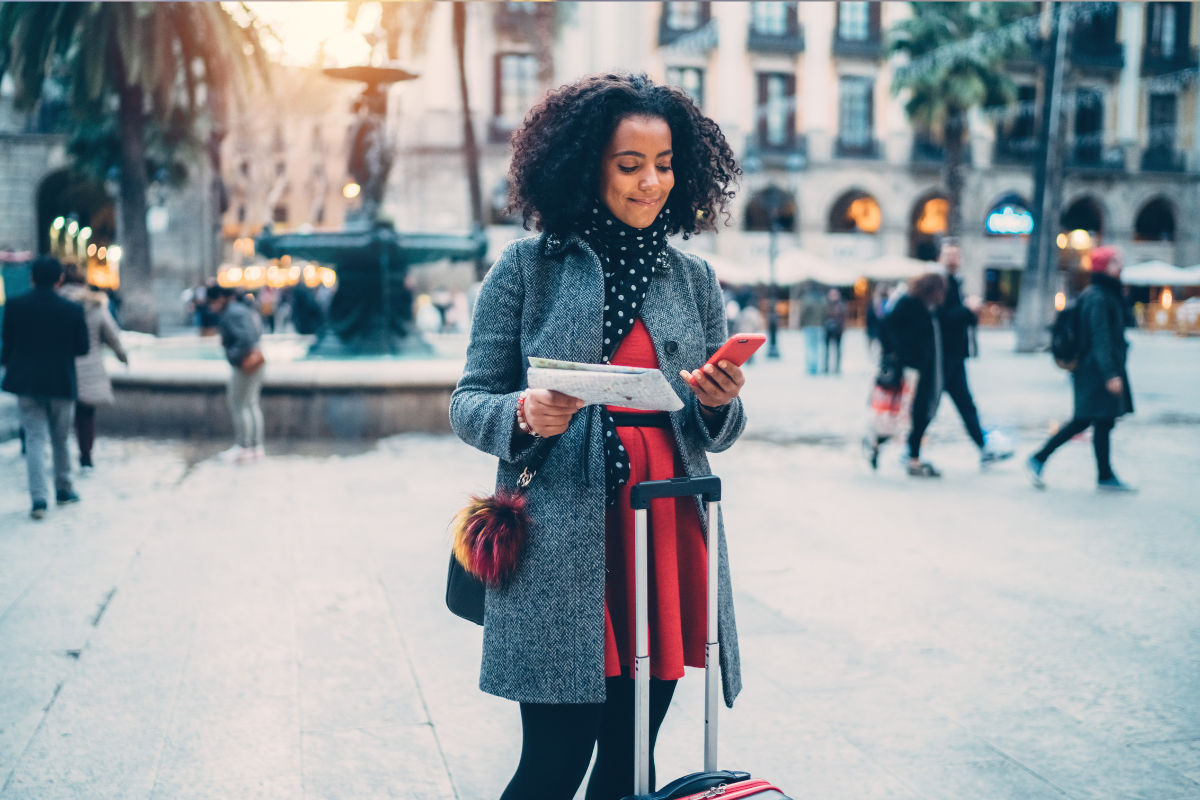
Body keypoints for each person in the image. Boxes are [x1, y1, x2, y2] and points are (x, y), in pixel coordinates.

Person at [450, 72, 746, 800]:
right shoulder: (527, 268)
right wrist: (521, 414)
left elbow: (719, 429)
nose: (653, 182)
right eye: (630, 165)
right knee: (551, 767)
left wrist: (716, 402)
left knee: (630, 767)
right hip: (562, 545)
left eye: (666, 163)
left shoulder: (693, 278)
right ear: (586, 167)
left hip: (665, 534)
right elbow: (467, 401)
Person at [1026, 246, 1135, 492]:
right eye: (1117, 262)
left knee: (1103, 420)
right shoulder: (1097, 296)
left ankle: (1105, 475)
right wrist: (1110, 374)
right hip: (1094, 370)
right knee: (1084, 419)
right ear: (1105, 267)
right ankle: (1038, 457)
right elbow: (1100, 338)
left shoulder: (1106, 293)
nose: (1121, 267)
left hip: (1100, 368)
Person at [1, 256, 89, 518]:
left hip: (27, 383)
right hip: (61, 382)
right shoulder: (72, 309)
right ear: (59, 279)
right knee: (60, 439)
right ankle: (63, 488)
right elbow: (82, 347)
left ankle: (38, 499)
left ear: (31, 278)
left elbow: (7, 345)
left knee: (35, 440)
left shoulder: (15, 305)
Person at [937, 241, 1011, 466]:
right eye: (948, 254)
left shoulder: (954, 281)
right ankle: (892, 445)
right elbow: (943, 317)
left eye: (956, 255)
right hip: (941, 357)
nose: (952, 259)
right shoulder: (940, 283)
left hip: (954, 356)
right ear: (941, 257)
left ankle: (983, 447)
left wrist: (971, 312)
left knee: (965, 404)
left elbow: (960, 320)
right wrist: (966, 309)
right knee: (926, 407)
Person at [58, 263, 128, 472]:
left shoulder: (58, 302)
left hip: (64, 365)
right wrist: (122, 356)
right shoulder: (95, 304)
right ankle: (86, 455)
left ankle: (61, 459)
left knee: (60, 415)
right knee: (86, 414)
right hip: (90, 366)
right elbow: (112, 334)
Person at [878, 272, 947, 477]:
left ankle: (913, 458)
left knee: (919, 414)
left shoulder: (930, 309)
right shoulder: (907, 303)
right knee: (901, 414)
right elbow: (885, 327)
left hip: (925, 371)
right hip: (908, 370)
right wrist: (895, 353)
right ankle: (878, 442)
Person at [207, 286, 265, 464]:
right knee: (251, 404)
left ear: (220, 298)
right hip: (255, 360)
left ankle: (244, 447)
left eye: (212, 302)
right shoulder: (241, 309)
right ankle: (256, 447)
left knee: (239, 404)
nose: (211, 307)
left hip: (244, 364)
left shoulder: (231, 313)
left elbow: (245, 338)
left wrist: (233, 355)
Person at [797, 282, 828, 375]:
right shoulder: (822, 299)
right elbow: (825, 313)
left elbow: (803, 313)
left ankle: (810, 367)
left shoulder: (807, 299)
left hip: (809, 326)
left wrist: (800, 324)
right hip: (820, 326)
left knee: (809, 347)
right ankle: (816, 367)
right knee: (817, 348)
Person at [823, 288, 847, 374]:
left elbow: (844, 318)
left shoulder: (841, 305)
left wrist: (841, 328)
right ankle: (826, 367)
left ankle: (837, 368)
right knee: (826, 350)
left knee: (838, 350)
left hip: (838, 331)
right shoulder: (826, 304)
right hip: (827, 330)